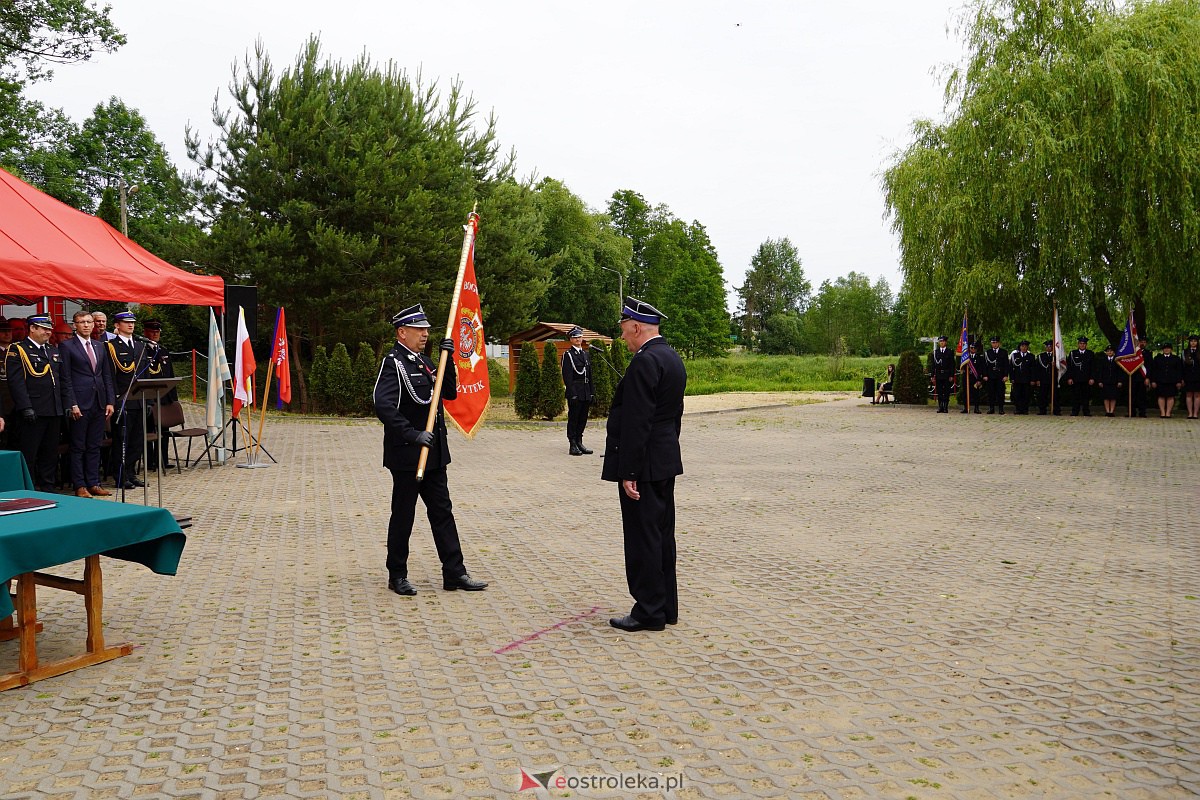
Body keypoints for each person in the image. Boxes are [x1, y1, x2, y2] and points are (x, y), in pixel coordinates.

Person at [373, 303, 487, 596]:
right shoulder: (394, 362)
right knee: (403, 515)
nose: (425, 333)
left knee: (442, 512)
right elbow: (383, 405)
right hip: (408, 453)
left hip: (433, 453)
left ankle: (454, 573)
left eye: (426, 329)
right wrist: (412, 435)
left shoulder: (423, 361)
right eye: (418, 329)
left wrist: (445, 360)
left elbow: (447, 393)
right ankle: (397, 574)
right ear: (402, 332)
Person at [603, 297, 686, 633]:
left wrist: (629, 471)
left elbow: (637, 422)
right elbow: (673, 416)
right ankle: (665, 606)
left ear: (637, 327)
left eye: (625, 332)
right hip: (664, 459)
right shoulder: (671, 357)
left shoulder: (644, 361)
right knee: (662, 536)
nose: (623, 338)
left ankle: (648, 611)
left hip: (644, 466)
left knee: (643, 540)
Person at [5, 315, 71, 491]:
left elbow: (62, 381)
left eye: (49, 328)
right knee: (30, 453)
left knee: (50, 453)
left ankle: (48, 487)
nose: (48, 332)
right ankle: (29, 488)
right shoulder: (18, 350)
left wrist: (67, 404)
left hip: (54, 410)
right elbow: (16, 382)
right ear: (32, 328)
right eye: (43, 328)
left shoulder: (52, 351)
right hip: (33, 410)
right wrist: (26, 407)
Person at [60, 311, 114, 496]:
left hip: (98, 402)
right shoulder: (67, 346)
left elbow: (106, 375)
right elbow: (65, 378)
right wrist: (72, 403)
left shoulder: (100, 346)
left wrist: (110, 401)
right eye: (82, 322)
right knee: (78, 446)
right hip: (79, 403)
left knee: (94, 444)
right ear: (74, 325)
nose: (86, 325)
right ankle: (79, 485)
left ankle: (93, 482)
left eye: (89, 322)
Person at [106, 310, 148, 489]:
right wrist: (113, 400)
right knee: (121, 441)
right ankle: (120, 476)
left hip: (139, 400)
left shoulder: (139, 346)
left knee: (136, 441)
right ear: (117, 325)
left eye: (132, 322)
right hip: (122, 400)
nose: (131, 325)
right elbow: (109, 376)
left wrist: (148, 401)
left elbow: (144, 375)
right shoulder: (110, 346)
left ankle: (131, 473)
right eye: (126, 322)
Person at [142, 319, 176, 470]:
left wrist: (173, 397)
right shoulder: (142, 350)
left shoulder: (163, 350)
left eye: (157, 332)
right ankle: (150, 462)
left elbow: (170, 373)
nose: (155, 335)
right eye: (152, 332)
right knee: (149, 430)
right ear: (145, 332)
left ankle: (162, 459)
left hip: (164, 397)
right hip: (149, 397)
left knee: (164, 430)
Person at [560, 325, 594, 455]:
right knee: (574, 418)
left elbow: (589, 375)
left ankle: (580, 441)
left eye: (579, 337)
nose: (578, 339)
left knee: (583, 418)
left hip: (585, 390)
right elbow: (567, 376)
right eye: (575, 337)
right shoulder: (568, 355)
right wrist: (572, 393)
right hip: (575, 390)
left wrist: (591, 392)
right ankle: (572, 443)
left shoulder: (586, 354)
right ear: (571, 339)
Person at [1150, 341, 1183, 418]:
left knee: (1170, 396)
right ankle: (1162, 412)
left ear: (1171, 349)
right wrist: (1153, 381)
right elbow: (1154, 370)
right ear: (1163, 350)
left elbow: (1179, 371)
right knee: (1161, 396)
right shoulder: (1157, 358)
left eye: (1168, 348)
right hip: (1160, 380)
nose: (1167, 350)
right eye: (1165, 348)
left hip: (1172, 381)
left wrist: (1179, 381)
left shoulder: (1176, 359)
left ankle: (1168, 412)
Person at [1064, 336, 1095, 416]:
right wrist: (1069, 377)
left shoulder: (1090, 354)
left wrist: (1092, 378)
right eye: (1080, 343)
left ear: (1086, 345)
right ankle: (1075, 411)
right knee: (1075, 396)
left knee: (1086, 396)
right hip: (1075, 379)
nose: (1082, 345)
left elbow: (1093, 367)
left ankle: (1086, 412)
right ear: (1078, 344)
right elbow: (1069, 367)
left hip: (1086, 378)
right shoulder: (1072, 353)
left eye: (1084, 343)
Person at [1095, 343, 1124, 417]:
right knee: (1106, 396)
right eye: (1108, 351)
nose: (1109, 352)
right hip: (1105, 381)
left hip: (1114, 381)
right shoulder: (1102, 360)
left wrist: (1120, 381)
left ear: (1114, 352)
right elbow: (1100, 371)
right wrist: (1100, 381)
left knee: (1113, 397)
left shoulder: (1117, 360)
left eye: (1111, 351)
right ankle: (1107, 411)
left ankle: (1112, 411)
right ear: (1106, 352)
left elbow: (1120, 372)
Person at [981, 336, 1008, 414]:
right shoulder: (987, 352)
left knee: (1000, 393)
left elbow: (1006, 365)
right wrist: (985, 375)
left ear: (999, 343)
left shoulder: (1004, 352)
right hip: (990, 376)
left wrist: (1006, 375)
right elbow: (985, 365)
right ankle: (991, 408)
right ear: (991, 343)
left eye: (996, 342)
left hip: (1000, 376)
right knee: (991, 393)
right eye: (993, 343)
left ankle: (1001, 409)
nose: (995, 344)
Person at [930, 335, 955, 413]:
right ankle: (940, 407)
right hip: (939, 374)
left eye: (943, 341)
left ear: (946, 342)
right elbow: (933, 365)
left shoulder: (950, 352)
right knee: (940, 391)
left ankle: (945, 407)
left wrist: (951, 375)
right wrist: (932, 375)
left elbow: (952, 364)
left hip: (947, 374)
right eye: (940, 341)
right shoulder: (935, 352)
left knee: (947, 391)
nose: (942, 343)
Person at [1008, 340, 1034, 414]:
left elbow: (1033, 369)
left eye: (1025, 346)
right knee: (1017, 395)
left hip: (1027, 379)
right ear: (1020, 347)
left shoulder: (1031, 356)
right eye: (1022, 346)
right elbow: (1011, 368)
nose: (1024, 348)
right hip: (1017, 379)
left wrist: (1032, 379)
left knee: (1026, 395)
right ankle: (1018, 409)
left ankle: (1025, 409)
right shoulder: (1014, 356)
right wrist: (1012, 378)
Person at [1129, 337, 1151, 418]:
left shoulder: (1148, 354)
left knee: (1142, 396)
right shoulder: (1132, 353)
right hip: (1133, 377)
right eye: (1141, 342)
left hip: (1143, 377)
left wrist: (1148, 378)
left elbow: (1149, 366)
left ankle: (1142, 412)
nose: (1142, 343)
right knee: (1132, 395)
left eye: (1144, 342)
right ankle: (1132, 412)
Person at [1181, 334, 1200, 419]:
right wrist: (1182, 378)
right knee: (1188, 394)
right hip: (1187, 377)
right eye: (1191, 341)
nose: (1193, 343)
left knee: (1197, 395)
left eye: (1195, 341)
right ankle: (1190, 413)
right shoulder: (1184, 352)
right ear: (1189, 342)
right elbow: (1182, 366)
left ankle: (1195, 413)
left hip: (1198, 376)